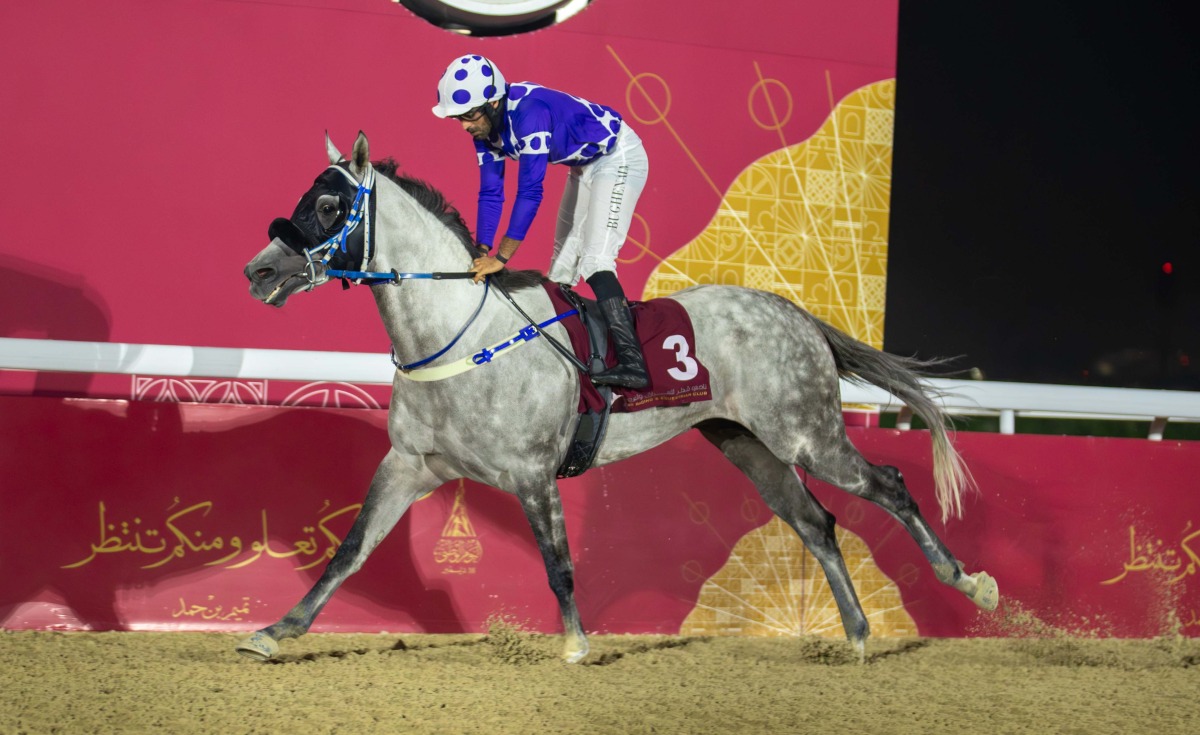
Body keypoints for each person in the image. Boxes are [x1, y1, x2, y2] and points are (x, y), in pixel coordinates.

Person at [432, 54, 650, 390]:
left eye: (470, 115)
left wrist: (501, 258)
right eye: (458, 118)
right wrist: (482, 249)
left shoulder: (530, 114)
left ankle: (634, 364)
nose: (465, 125)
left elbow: (530, 192)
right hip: (584, 166)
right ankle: (572, 354)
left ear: (493, 102)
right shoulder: (485, 129)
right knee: (560, 269)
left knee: (595, 261)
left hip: (618, 156)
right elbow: (491, 192)